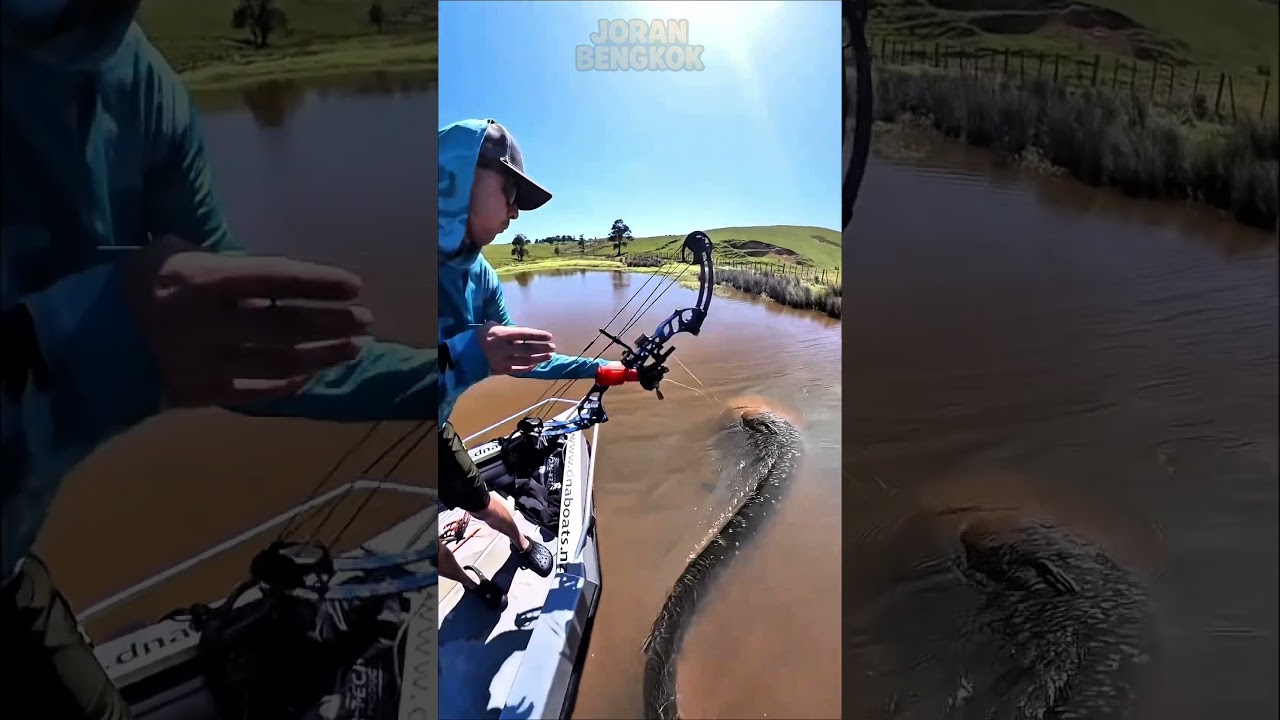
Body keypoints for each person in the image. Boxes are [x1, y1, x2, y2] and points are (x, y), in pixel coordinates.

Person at [1, 2, 438, 717]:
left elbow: (246, 347)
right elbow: (140, 335)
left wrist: (443, 378)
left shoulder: (143, 91)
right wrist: (97, 341)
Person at [436, 118, 619, 609]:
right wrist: (467, 353)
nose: (515, 213)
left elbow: (521, 360)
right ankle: (469, 584)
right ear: (459, 176)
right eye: (510, 191)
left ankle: (519, 541)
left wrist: (601, 370)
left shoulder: (484, 278)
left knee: (479, 498)